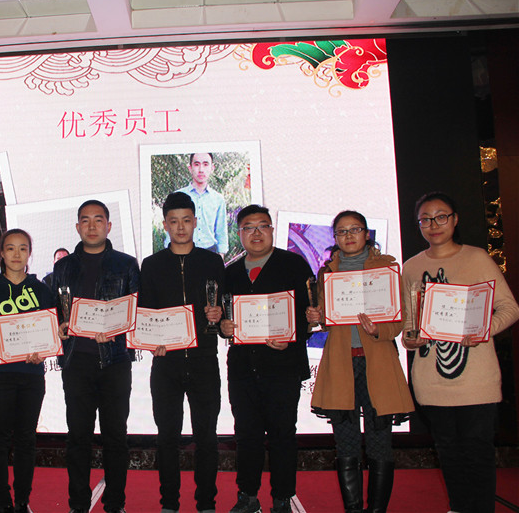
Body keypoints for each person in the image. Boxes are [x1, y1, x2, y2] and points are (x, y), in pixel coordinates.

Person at [402, 192, 519, 513]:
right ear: (418, 225)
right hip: (431, 382)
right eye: (426, 219)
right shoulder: (412, 267)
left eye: (441, 216)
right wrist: (411, 339)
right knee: (448, 453)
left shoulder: (477, 258)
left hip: (476, 380)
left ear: (454, 219)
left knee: (477, 454)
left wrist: (483, 330)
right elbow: (409, 324)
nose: (434, 224)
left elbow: (510, 308)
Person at [306, 210, 414, 513]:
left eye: (355, 229)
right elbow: (326, 321)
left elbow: (399, 321)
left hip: (378, 363)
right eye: (341, 231)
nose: (349, 236)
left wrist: (379, 330)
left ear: (367, 234)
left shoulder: (387, 268)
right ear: (335, 237)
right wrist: (315, 317)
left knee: (380, 442)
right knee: (346, 442)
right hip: (341, 364)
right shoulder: (326, 273)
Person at [219, 204, 314, 513]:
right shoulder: (230, 272)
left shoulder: (294, 265)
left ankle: (282, 498)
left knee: (282, 435)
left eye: (262, 226)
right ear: (240, 233)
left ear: (272, 230)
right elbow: (223, 318)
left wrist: (292, 336)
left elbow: (310, 314)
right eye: (248, 227)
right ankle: (247, 496)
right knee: (246, 434)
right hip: (243, 369)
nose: (256, 233)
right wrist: (223, 327)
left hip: (283, 367)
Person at [51, 200, 140, 513]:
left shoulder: (126, 265)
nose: (92, 226)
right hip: (77, 362)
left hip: (115, 362)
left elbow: (137, 311)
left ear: (109, 226)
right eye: (85, 220)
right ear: (77, 227)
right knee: (78, 438)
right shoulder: (63, 267)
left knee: (116, 437)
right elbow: (54, 312)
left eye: (98, 220)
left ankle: (115, 503)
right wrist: (60, 326)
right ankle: (78, 504)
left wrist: (117, 329)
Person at [139, 191, 225, 513]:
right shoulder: (152, 265)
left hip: (204, 362)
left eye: (186, 220)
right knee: (167, 438)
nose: (180, 227)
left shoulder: (212, 262)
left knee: (207, 437)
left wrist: (220, 314)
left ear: (195, 222)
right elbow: (145, 311)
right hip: (167, 364)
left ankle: (206, 503)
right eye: (173, 221)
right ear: (165, 224)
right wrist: (152, 340)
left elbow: (226, 308)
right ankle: (169, 504)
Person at [0, 229, 55, 513]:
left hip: (32, 376)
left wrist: (44, 349)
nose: (17, 254)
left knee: (26, 440)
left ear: (30, 253)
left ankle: (22, 500)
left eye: (22, 248)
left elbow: (51, 330)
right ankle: (2, 501)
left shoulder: (42, 290)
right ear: (1, 253)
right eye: (10, 248)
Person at [165, 152, 228, 256]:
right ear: (190, 168)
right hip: (181, 252)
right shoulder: (177, 196)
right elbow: (170, 229)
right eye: (197, 164)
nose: (201, 169)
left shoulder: (218, 199)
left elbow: (221, 232)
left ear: (212, 168)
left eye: (205, 164)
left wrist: (220, 257)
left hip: (209, 253)